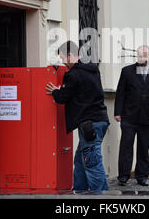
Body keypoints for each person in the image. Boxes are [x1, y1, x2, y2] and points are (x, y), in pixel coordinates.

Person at [45, 40, 110, 194]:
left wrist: (56, 91)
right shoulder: (93, 70)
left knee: (91, 161)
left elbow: (62, 98)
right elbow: (82, 92)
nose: (62, 62)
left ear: (69, 55)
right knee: (81, 158)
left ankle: (98, 196)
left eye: (62, 58)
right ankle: (80, 190)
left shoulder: (73, 75)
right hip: (100, 119)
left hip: (89, 124)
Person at [114, 45, 149, 186]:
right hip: (128, 117)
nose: (143, 58)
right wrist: (117, 112)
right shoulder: (127, 71)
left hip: (146, 118)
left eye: (145, 55)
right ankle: (123, 176)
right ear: (137, 56)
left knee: (143, 148)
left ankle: (142, 176)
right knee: (126, 148)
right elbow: (120, 93)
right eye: (141, 55)